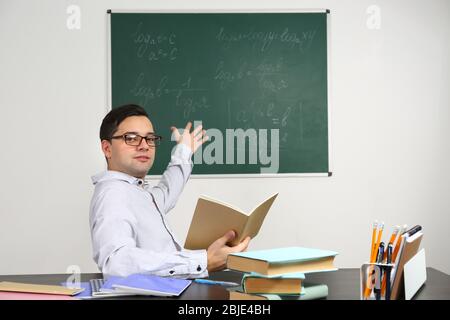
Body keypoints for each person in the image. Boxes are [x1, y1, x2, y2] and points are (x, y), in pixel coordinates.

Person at [89, 104, 251, 278]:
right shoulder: (114, 195)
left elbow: (167, 192)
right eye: (131, 138)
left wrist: (184, 150)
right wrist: (203, 261)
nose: (144, 146)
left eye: (150, 139)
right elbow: (116, 262)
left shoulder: (137, 191)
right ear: (107, 148)